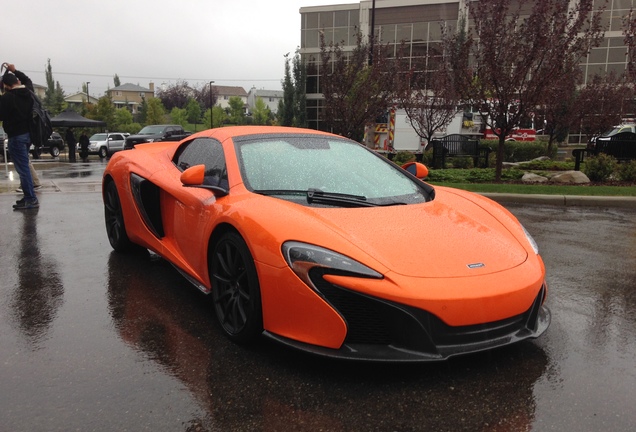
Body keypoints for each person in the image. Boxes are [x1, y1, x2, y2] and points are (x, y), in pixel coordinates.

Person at [0, 63, 39, 209]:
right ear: (17, 82)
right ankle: (27, 196)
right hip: (28, 134)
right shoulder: (28, 91)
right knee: (24, 168)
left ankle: (31, 198)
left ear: (6, 85)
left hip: (16, 136)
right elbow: (27, 79)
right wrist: (14, 70)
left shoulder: (7, 98)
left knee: (23, 169)